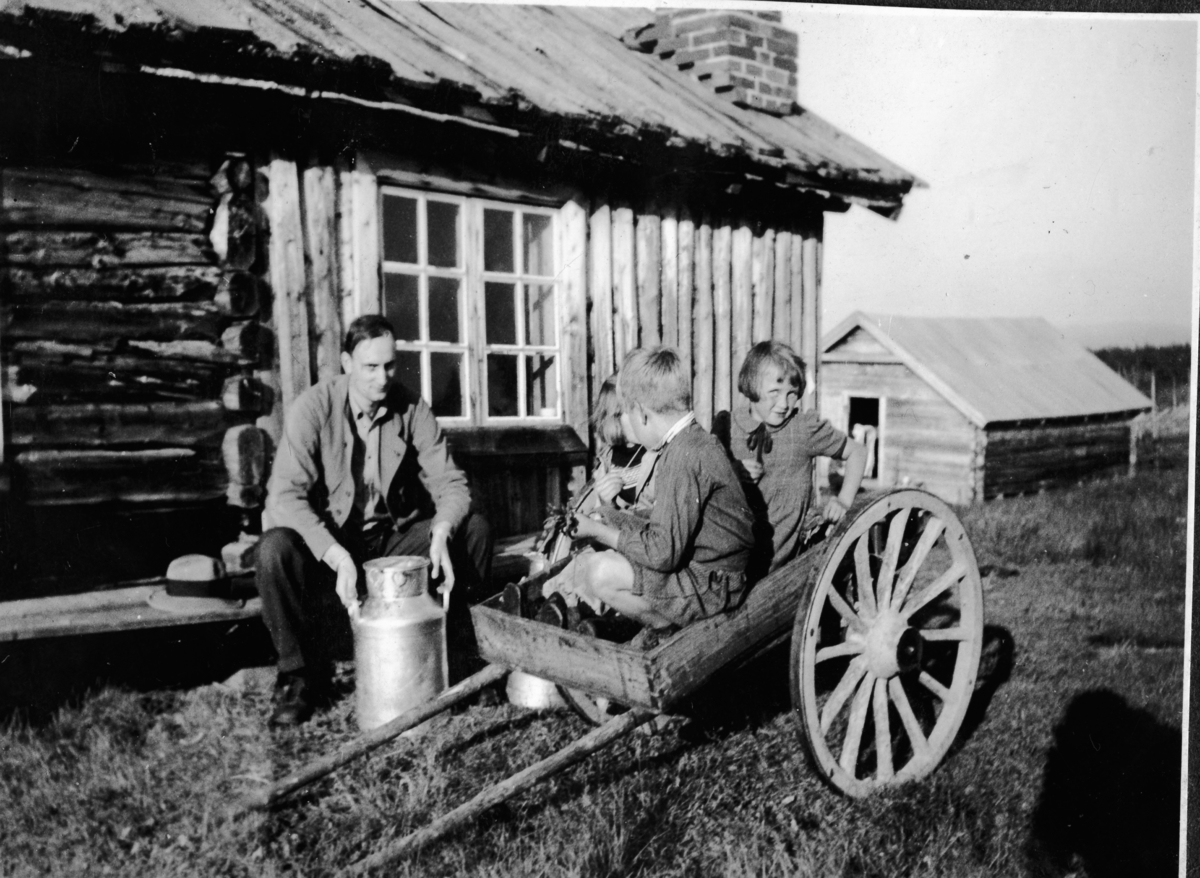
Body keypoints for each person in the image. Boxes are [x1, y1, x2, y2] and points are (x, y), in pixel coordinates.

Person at [256, 314, 491, 728]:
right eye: (369, 367)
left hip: (389, 543)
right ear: (346, 363)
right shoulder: (313, 407)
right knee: (274, 549)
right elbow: (284, 496)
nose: (381, 378)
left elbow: (452, 484)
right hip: (328, 543)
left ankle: (458, 658)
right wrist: (334, 554)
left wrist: (440, 530)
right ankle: (298, 676)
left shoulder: (411, 407)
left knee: (474, 528)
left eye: (389, 365)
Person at [565, 346, 755, 636]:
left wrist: (598, 531)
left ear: (641, 412)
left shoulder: (682, 456)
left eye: (626, 415)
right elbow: (664, 523)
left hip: (715, 584)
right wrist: (608, 515)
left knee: (599, 572)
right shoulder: (690, 442)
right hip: (710, 569)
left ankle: (667, 633)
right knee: (604, 560)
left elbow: (662, 554)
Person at [727, 340, 867, 577]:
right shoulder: (729, 428)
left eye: (792, 394)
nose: (784, 404)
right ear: (751, 386)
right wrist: (732, 470)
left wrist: (843, 501)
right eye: (774, 393)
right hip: (734, 553)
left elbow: (857, 452)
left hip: (781, 559)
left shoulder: (802, 429)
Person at [589, 374, 653, 512]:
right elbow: (603, 518)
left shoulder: (654, 450)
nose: (644, 416)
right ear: (614, 418)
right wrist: (606, 503)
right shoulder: (606, 461)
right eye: (633, 410)